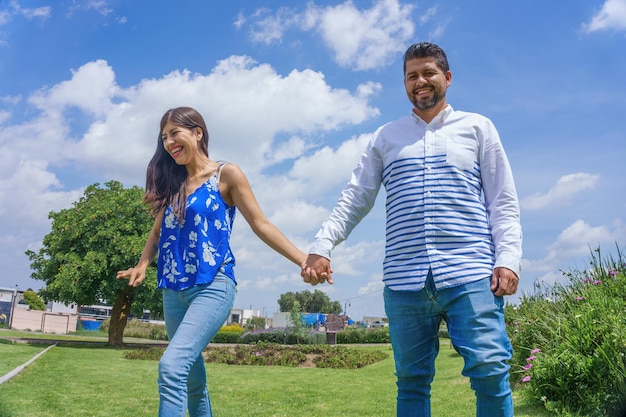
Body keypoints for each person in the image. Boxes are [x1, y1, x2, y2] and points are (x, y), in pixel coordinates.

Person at [302, 42, 522, 417]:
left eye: (428, 73)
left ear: (447, 78)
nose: (420, 82)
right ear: (404, 83)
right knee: (412, 382)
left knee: (490, 373)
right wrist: (322, 244)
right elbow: (356, 197)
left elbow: (502, 200)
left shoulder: (478, 127)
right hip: (405, 283)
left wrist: (509, 258)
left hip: (471, 274)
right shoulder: (386, 137)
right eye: (411, 76)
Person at [117, 106, 307, 417]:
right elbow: (157, 232)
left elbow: (261, 223)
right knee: (192, 379)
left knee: (171, 366)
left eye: (174, 133)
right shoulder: (174, 184)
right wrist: (143, 263)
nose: (168, 142)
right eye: (164, 137)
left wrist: (302, 259)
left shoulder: (226, 174)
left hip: (212, 285)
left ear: (198, 133)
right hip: (173, 290)